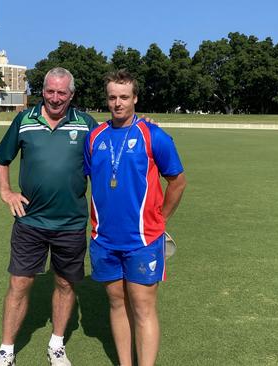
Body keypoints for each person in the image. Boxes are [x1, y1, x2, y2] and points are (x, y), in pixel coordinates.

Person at [0, 67, 98, 366]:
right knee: (19, 284)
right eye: (50, 91)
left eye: (61, 92)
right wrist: (6, 191)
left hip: (71, 223)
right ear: (43, 91)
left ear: (71, 95)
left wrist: (144, 126)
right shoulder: (25, 120)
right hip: (30, 221)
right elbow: (2, 158)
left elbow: (112, 146)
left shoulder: (86, 123)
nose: (54, 98)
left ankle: (56, 345)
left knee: (65, 284)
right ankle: (6, 350)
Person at [83, 70, 186, 366]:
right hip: (104, 240)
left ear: (135, 98)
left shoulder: (154, 136)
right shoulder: (95, 138)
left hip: (143, 240)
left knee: (143, 309)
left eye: (124, 97)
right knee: (116, 304)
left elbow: (177, 181)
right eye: (112, 97)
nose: (118, 103)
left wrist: (160, 218)